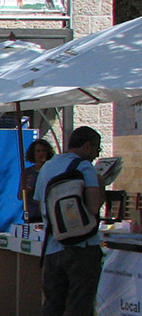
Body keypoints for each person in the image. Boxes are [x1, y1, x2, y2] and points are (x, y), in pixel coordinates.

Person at [33, 126, 106, 316]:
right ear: (87, 146)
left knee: (52, 305)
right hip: (82, 246)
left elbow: (40, 202)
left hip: (52, 247)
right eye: (97, 149)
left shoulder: (47, 166)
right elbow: (93, 206)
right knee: (79, 304)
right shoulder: (84, 166)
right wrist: (101, 184)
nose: (97, 154)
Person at [18, 138, 55, 223]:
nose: (40, 154)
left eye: (43, 151)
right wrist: (28, 190)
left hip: (48, 213)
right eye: (38, 151)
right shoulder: (27, 172)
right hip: (32, 214)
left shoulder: (51, 171)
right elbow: (20, 196)